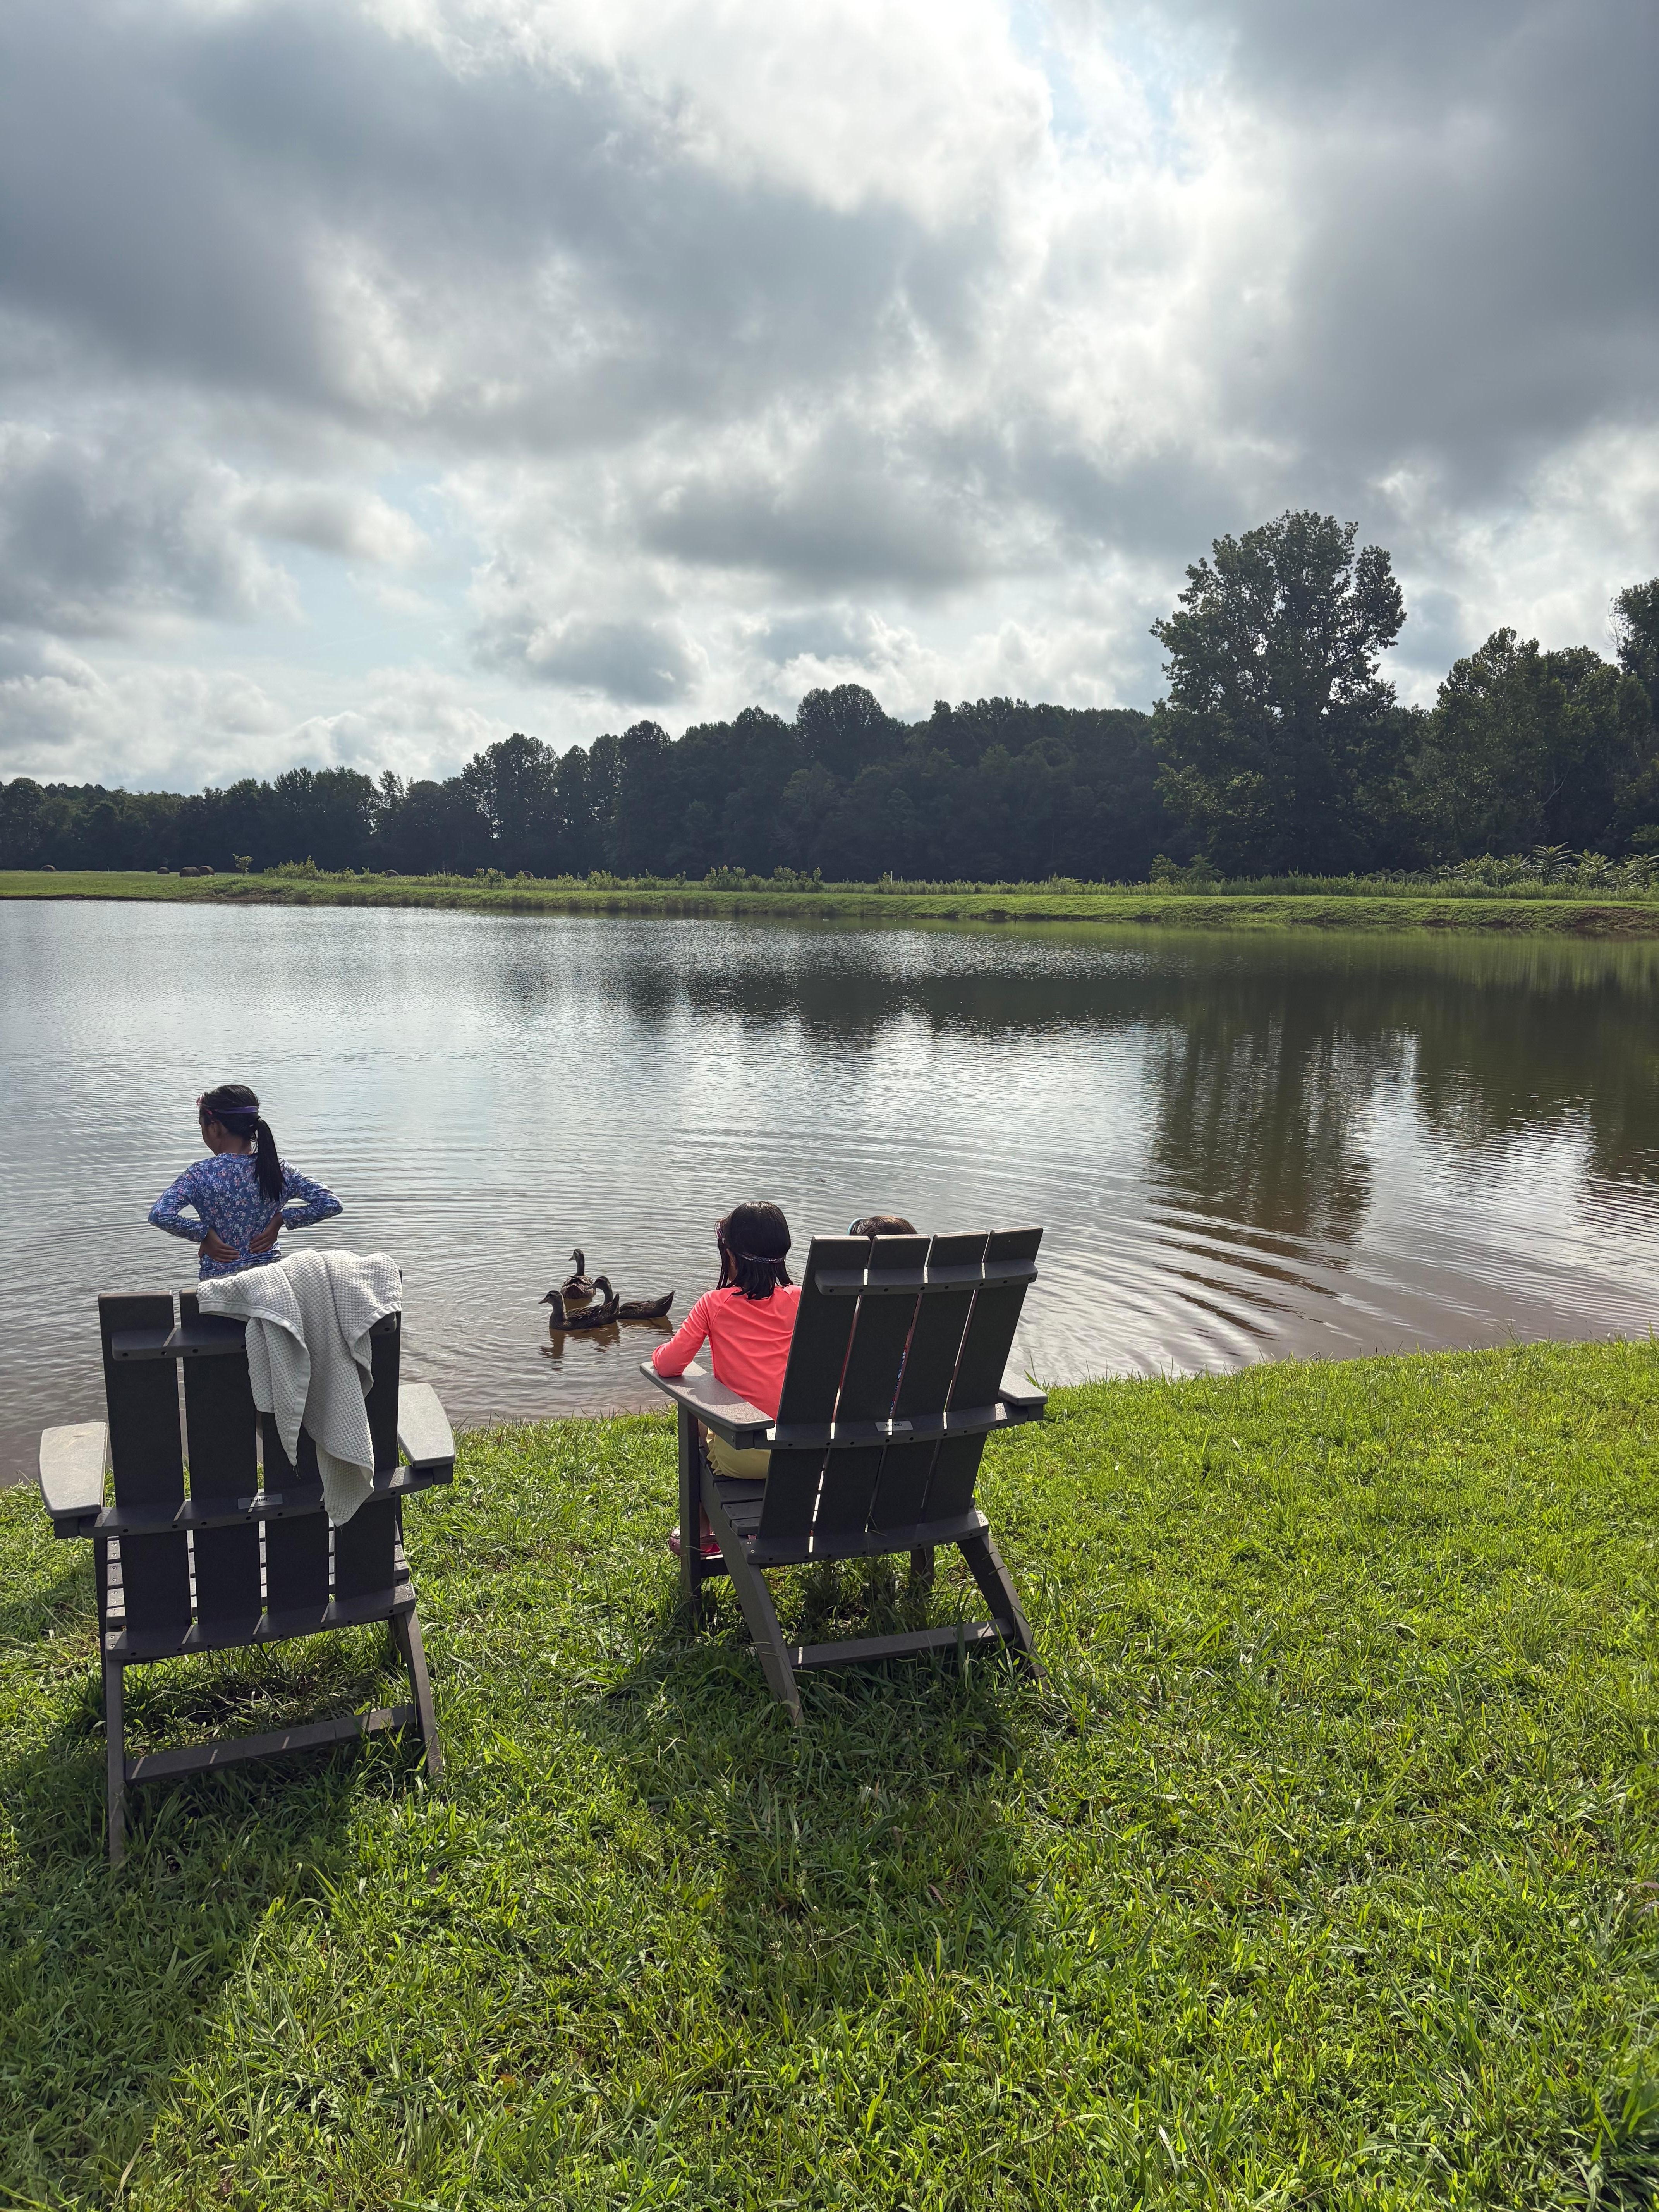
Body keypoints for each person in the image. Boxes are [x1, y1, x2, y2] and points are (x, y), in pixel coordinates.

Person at [653, 1200, 798, 1558]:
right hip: (807, 1457)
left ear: (730, 1253)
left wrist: (658, 1353)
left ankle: (703, 1530)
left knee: (701, 1417)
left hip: (743, 1459)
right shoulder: (803, 1299)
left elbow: (671, 1365)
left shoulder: (713, 1303)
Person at [149, 1082, 342, 1280]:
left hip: (219, 1283)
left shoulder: (200, 1174)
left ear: (215, 1127)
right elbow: (331, 1204)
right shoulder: (279, 1169)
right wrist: (280, 1220)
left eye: (202, 1126)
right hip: (269, 1280)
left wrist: (204, 1234)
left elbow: (160, 1214)